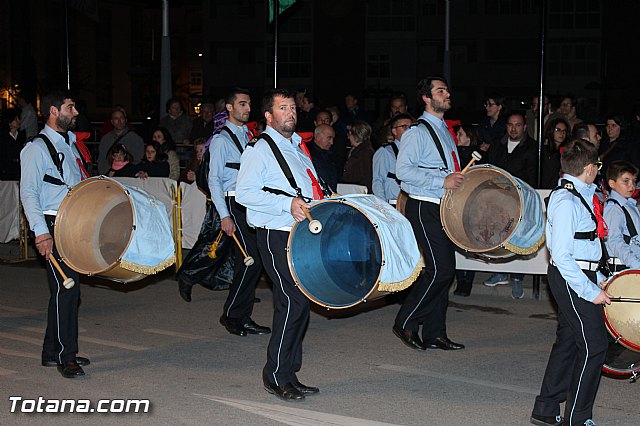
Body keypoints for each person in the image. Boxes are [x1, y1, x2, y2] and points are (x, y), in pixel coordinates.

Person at [236, 88, 322, 401]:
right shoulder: (260, 148)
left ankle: (289, 373)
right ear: (269, 116)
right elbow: (244, 193)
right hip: (275, 233)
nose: (291, 113)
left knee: (302, 302)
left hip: (301, 233)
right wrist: (287, 205)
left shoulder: (297, 147)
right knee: (292, 301)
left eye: (293, 108)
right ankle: (274, 375)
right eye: (283, 108)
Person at [530, 138, 611, 426]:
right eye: (598, 167)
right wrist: (590, 291)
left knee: (568, 342)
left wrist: (599, 279)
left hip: (581, 274)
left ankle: (546, 407)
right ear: (590, 168)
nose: (598, 172)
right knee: (594, 346)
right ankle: (577, 418)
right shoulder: (566, 200)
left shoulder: (580, 194)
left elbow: (585, 245)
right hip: (571, 276)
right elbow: (562, 256)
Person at [19, 90, 90, 378]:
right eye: (70, 107)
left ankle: (53, 351)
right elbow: (29, 192)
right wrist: (40, 233)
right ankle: (65, 355)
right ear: (53, 110)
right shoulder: (37, 148)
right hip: (51, 223)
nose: (75, 113)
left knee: (66, 291)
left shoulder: (69, 144)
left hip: (70, 221)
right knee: (67, 288)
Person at [393, 75, 465, 352]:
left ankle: (435, 333)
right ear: (426, 97)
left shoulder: (444, 131)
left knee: (446, 270)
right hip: (424, 207)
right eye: (441, 90)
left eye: (447, 89)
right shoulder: (417, 132)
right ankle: (406, 321)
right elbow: (404, 172)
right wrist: (442, 181)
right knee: (441, 270)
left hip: (442, 208)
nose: (447, 94)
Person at [206, 88, 270, 337]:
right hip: (233, 204)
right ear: (230, 108)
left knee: (255, 262)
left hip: (251, 203)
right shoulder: (221, 140)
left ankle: (241, 316)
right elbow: (214, 180)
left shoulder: (250, 136)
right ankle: (233, 315)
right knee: (250, 259)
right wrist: (224, 215)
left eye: (249, 103)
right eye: (242, 104)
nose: (247, 108)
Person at [483, 111, 539, 298]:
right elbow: (489, 170)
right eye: (510, 124)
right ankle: (500, 272)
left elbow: (532, 178)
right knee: (499, 237)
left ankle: (517, 276)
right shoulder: (497, 146)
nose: (514, 128)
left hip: (520, 201)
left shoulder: (533, 148)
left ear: (524, 127)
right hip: (497, 201)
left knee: (518, 238)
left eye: (518, 124)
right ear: (506, 126)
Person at [452, 124, 480, 297]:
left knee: (469, 241)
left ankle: (467, 280)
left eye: (461, 134)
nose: (458, 137)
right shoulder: (453, 153)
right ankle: (459, 278)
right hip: (455, 203)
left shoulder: (476, 155)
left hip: (472, 203)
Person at [603, 161, 640, 271]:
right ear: (612, 184)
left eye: (634, 181)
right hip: (623, 266)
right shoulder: (614, 208)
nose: (632, 185)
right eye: (626, 181)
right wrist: (636, 264)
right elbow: (613, 240)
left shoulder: (629, 205)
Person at [372, 113, 413, 203]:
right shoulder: (385, 152)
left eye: (411, 127)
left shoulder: (416, 152)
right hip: (393, 204)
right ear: (394, 131)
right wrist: (383, 207)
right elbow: (378, 181)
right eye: (404, 127)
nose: (409, 130)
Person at [97, 106, 144, 175]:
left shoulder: (135, 139)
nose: (119, 121)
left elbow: (138, 160)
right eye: (116, 118)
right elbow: (101, 160)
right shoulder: (105, 139)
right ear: (112, 122)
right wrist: (107, 173)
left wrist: (123, 172)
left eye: (121, 118)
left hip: (128, 176)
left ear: (125, 120)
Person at [342, 120, 374, 193]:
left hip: (359, 192)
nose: (348, 137)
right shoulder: (357, 151)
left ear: (355, 135)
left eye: (349, 134)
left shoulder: (365, 153)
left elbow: (367, 177)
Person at [540, 117, 570, 189]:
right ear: (551, 131)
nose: (561, 133)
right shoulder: (543, 151)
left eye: (564, 131)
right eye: (558, 130)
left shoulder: (568, 152)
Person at [308, 123, 339, 192]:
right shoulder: (309, 156)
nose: (332, 142)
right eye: (329, 138)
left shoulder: (328, 155)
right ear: (318, 137)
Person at [0, 108, 26, 180]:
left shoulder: (21, 136)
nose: (18, 121)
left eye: (18, 119)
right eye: (15, 119)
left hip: (19, 171)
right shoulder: (3, 137)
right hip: (7, 174)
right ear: (9, 122)